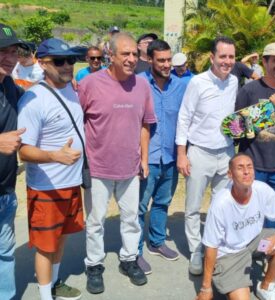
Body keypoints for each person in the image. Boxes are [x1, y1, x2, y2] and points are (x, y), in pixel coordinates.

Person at [79, 32, 157, 294]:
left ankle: (128, 259)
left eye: (135, 53)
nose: (132, 58)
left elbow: (146, 124)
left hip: (130, 167)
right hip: (98, 167)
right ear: (110, 55)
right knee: (95, 220)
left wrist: (144, 158)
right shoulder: (90, 84)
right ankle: (94, 265)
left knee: (131, 218)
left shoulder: (143, 85)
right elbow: (78, 122)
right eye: (125, 53)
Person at [18, 38, 85, 300]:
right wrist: (53, 156)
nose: (67, 65)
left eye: (70, 59)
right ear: (43, 63)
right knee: (46, 246)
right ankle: (46, 296)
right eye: (59, 61)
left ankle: (55, 282)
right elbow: (23, 150)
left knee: (62, 239)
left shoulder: (71, 89)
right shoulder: (34, 100)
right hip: (46, 188)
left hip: (71, 183)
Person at [176, 36, 238, 276]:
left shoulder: (234, 82)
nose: (227, 61)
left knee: (220, 206)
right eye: (222, 56)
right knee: (192, 207)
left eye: (231, 57)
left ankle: (216, 249)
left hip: (225, 153)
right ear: (212, 57)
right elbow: (184, 117)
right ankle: (195, 252)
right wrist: (182, 154)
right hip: (199, 152)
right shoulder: (198, 83)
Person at [196, 153, 275, 300]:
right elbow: (211, 246)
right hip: (230, 254)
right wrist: (206, 288)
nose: (246, 171)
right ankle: (230, 278)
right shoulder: (220, 203)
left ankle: (265, 286)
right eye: (240, 168)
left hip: (254, 243)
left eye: (249, 167)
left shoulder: (262, 189)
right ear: (230, 174)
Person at [235, 42, 275, 229]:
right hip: (253, 166)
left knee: (274, 215)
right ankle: (247, 250)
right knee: (249, 213)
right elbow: (237, 129)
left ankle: (268, 251)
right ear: (264, 62)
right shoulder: (249, 90)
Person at [136, 40, 188, 274]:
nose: (167, 64)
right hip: (145, 158)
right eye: (161, 60)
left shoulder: (181, 86)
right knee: (138, 207)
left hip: (170, 158)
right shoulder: (137, 84)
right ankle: (134, 252)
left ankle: (157, 242)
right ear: (149, 59)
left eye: (169, 59)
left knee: (162, 203)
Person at [0, 22, 27, 300]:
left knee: (5, 254)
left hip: (6, 194)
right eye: (1, 51)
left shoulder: (9, 85)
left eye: (13, 51)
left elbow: (33, 97)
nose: (9, 58)